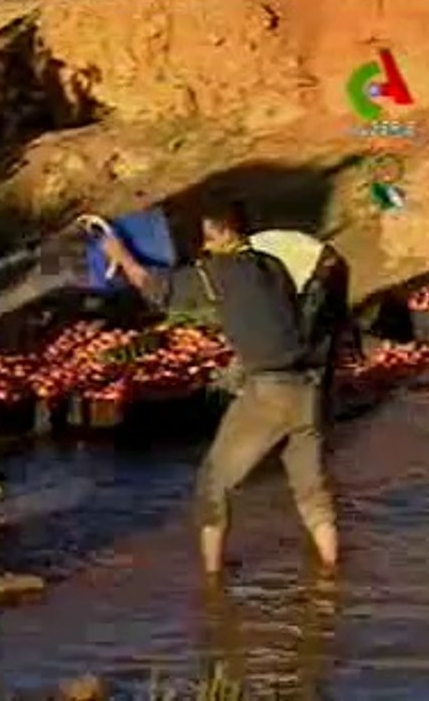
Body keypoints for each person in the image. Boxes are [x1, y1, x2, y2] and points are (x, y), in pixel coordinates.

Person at [98, 196, 338, 576]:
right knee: (310, 488)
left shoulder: (218, 272)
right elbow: (268, 315)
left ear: (221, 231)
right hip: (307, 386)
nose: (204, 243)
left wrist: (120, 254)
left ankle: (212, 582)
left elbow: (157, 289)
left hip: (269, 391)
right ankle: (332, 572)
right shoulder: (273, 266)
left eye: (207, 234)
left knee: (213, 481)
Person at [249, 228, 363, 423]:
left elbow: (276, 297)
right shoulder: (254, 248)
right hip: (330, 262)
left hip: (320, 271)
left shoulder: (249, 261)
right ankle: (334, 387)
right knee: (331, 325)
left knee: (312, 339)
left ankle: (317, 403)